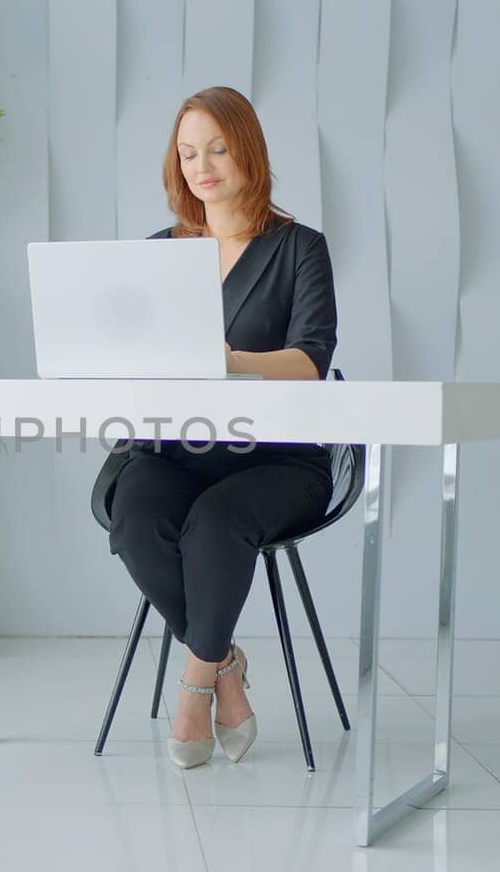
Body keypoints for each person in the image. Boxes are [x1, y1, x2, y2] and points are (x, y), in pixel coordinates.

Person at [103, 86, 338, 770]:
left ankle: (193, 687)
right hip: (175, 450)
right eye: (186, 152)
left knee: (213, 523)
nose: (201, 164)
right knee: (134, 518)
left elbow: (310, 360)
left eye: (216, 147)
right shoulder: (161, 252)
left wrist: (226, 360)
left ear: (247, 150)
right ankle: (225, 663)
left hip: (278, 461)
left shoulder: (299, 249)